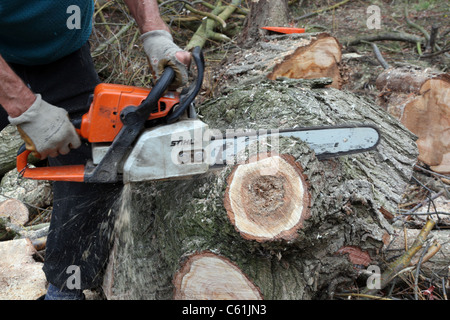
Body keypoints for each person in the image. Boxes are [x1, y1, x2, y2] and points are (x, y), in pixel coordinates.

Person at [0, 0, 190, 300]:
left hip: (61, 53)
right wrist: (24, 106)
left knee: (93, 169)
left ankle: (64, 290)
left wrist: (154, 32)